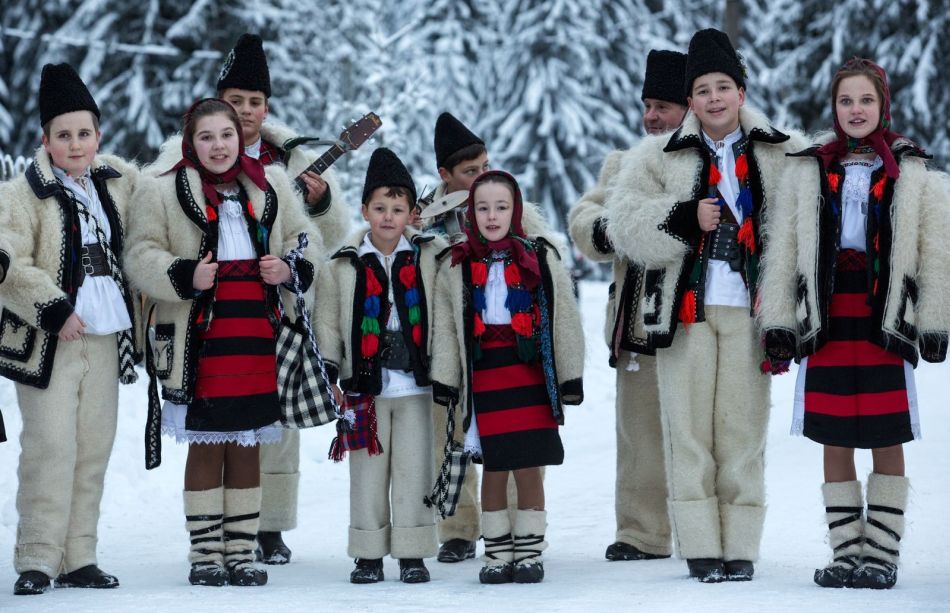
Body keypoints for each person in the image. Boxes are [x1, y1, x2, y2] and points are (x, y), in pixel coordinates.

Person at [601, 29, 806, 582]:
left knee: (741, 434)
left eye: (723, 87)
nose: (713, 99)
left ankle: (739, 545)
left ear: (741, 92)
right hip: (685, 311)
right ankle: (698, 545)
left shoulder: (785, 152)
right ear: (690, 101)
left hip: (749, 311)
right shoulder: (656, 156)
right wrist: (682, 218)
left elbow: (805, 226)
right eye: (702, 90)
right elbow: (621, 223)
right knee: (686, 433)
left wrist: (790, 312)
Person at [758, 57, 950, 590]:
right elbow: (785, 251)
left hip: (884, 315)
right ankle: (846, 552)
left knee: (889, 433)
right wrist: (779, 321)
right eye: (846, 101)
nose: (856, 110)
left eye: (866, 100)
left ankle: (882, 553)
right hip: (825, 315)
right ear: (834, 108)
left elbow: (934, 250)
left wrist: (935, 320)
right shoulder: (809, 167)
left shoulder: (912, 169)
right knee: (834, 435)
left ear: (882, 104)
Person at [126, 98, 320, 587]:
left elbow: (303, 238)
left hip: (256, 332)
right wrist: (186, 273)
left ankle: (242, 550)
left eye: (226, 135)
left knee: (248, 441)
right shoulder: (163, 189)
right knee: (208, 443)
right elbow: (141, 253)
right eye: (206, 137)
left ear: (241, 138)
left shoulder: (270, 184)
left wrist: (289, 266)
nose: (218, 146)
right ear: (191, 142)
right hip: (200, 337)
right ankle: (206, 552)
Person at [0, 63, 142, 596]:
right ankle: (37, 557)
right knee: (51, 445)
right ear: (46, 139)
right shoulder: (20, 194)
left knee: (93, 446)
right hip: (49, 341)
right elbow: (8, 258)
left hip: (104, 337)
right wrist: (52, 307)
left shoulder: (119, 181)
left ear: (99, 135)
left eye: (85, 133)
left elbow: (170, 189)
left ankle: (79, 554)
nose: (76, 144)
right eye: (64, 135)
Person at [215, 31, 350, 565]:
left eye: (254, 103)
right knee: (220, 417)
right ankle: (221, 521)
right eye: (235, 101)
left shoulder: (292, 158)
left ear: (266, 107)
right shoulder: (190, 151)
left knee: (279, 418)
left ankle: (269, 527)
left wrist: (317, 205)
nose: (245, 112)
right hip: (218, 306)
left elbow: (334, 234)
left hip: (279, 307)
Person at [430, 170, 584, 584]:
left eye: (501, 207)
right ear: (470, 214)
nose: (492, 216)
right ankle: (497, 553)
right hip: (486, 375)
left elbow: (564, 318)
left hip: (529, 371)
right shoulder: (456, 262)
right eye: (482, 208)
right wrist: (446, 379)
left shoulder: (540, 254)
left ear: (516, 210)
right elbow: (446, 326)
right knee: (495, 466)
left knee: (529, 466)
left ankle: (530, 551)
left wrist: (570, 376)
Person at [420, 112, 561, 563]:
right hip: (453, 343)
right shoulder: (428, 221)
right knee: (454, 436)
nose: (481, 176)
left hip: (512, 346)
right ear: (445, 175)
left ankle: (522, 531)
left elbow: (546, 269)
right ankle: (460, 529)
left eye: (485, 165)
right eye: (470, 171)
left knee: (518, 444)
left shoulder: (510, 206)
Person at [569, 48, 687, 563]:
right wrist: (613, 229)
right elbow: (586, 219)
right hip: (635, 320)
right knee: (638, 436)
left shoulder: (707, 164)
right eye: (647, 105)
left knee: (692, 437)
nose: (651, 117)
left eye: (663, 105)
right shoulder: (623, 164)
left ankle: (700, 533)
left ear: (689, 107)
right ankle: (641, 534)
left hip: (691, 319)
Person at [314, 147, 445, 584]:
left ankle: (413, 552)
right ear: (366, 209)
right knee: (367, 474)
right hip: (364, 386)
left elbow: (444, 313)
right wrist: (331, 373)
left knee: (414, 470)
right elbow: (329, 323)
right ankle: (368, 554)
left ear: (412, 213)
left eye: (399, 208)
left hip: (415, 386)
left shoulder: (431, 256)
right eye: (380, 208)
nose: (389, 217)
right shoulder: (343, 264)